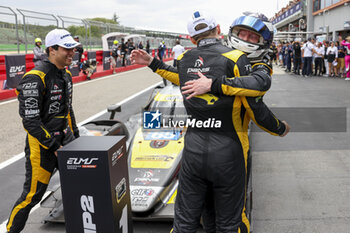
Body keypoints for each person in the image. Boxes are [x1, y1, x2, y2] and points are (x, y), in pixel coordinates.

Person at [131, 11, 290, 233]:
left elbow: (179, 74)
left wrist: (154, 63)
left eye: (252, 36)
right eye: (243, 33)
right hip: (229, 154)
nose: (246, 39)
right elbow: (257, 107)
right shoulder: (238, 60)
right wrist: (280, 128)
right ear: (220, 29)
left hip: (193, 153)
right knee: (230, 224)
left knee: (186, 224)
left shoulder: (187, 58)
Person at [6, 28, 80, 233]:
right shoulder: (35, 77)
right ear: (52, 49)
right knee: (32, 196)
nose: (72, 53)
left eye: (73, 49)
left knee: (79, 187)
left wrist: (78, 139)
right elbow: (31, 121)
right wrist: (54, 145)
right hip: (43, 148)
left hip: (66, 140)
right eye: (67, 49)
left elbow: (67, 110)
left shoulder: (65, 74)